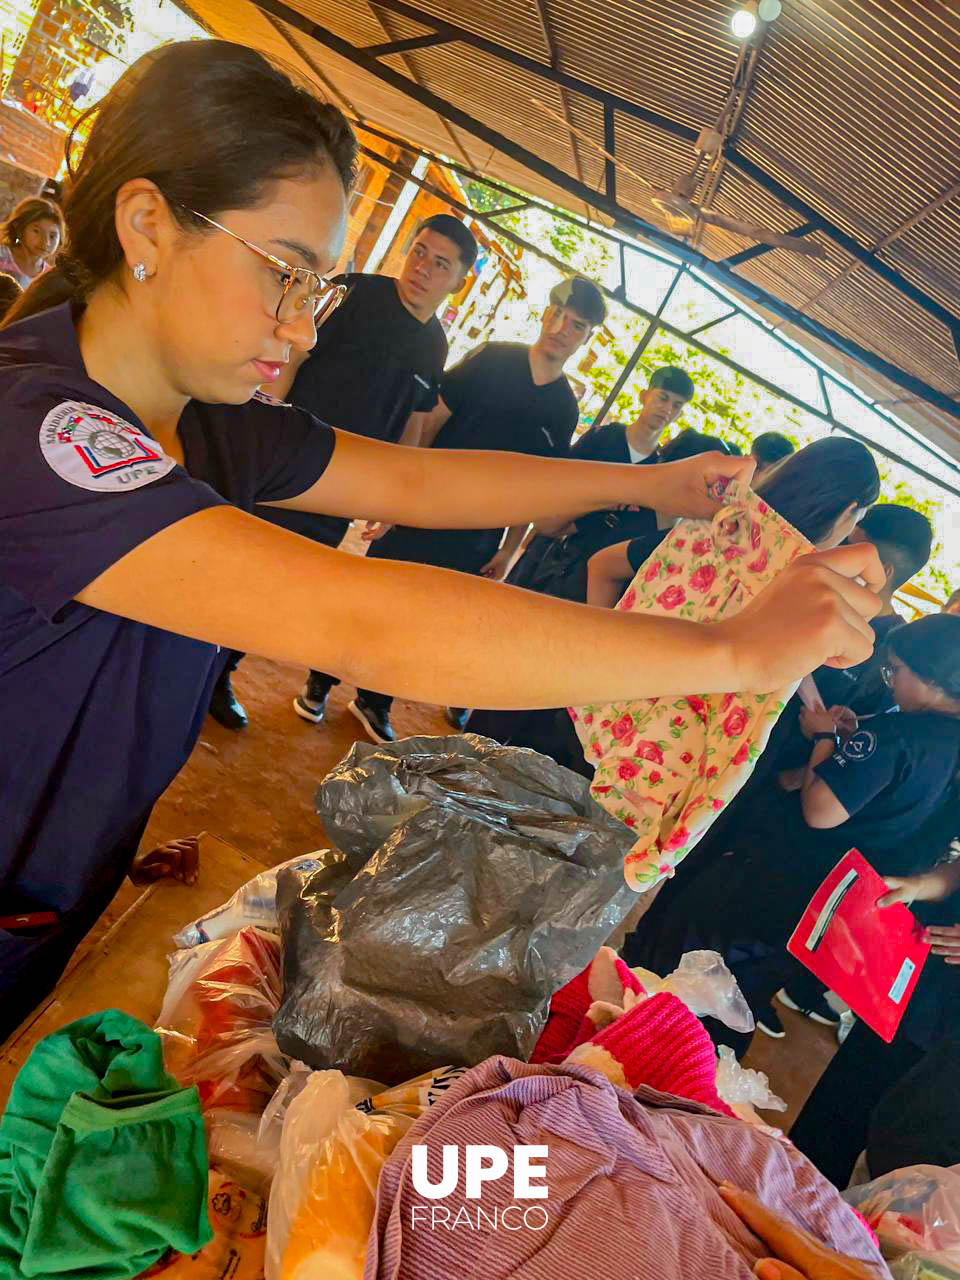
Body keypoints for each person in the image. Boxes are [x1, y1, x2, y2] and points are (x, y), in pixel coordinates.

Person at [0, 39, 885, 1040]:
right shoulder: (43, 433)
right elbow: (359, 615)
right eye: (286, 274)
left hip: (44, 884)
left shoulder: (207, 426)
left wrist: (651, 483)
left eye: (317, 290)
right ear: (147, 223)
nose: (300, 329)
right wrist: (735, 649)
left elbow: (417, 476)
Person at [624, 614, 960, 1056]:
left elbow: (820, 810)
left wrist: (824, 737)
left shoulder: (897, 734)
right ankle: (688, 1074)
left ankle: (626, 1044)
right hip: (828, 906)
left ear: (933, 678)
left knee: (685, 964)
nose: (890, 681)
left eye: (895, 671)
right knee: (739, 996)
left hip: (783, 877)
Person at [300, 273, 608, 743]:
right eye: (559, 313)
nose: (562, 327)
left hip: (477, 533)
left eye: (577, 324)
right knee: (375, 595)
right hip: (424, 506)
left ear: (587, 338)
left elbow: (533, 486)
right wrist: (399, 494)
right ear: (546, 313)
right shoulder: (493, 358)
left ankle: (375, 700)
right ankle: (319, 683)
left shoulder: (565, 408)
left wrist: (508, 549)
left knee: (426, 620)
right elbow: (430, 419)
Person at [209, 211, 478, 729]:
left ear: (458, 280)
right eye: (419, 250)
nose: (422, 266)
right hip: (283, 454)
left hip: (338, 488)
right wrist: (264, 424)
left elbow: (414, 426)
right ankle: (178, 660)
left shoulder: (435, 345)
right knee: (232, 558)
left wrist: (392, 499)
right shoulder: (353, 294)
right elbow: (289, 354)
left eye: (440, 263)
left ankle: (219, 674)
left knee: (279, 587)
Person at [789, 818, 960, 1187]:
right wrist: (918, 886)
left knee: (900, 1152)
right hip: (917, 981)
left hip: (947, 1047)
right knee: (838, 1104)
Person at [491, 365, 696, 604]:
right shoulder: (601, 439)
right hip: (548, 556)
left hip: (588, 582)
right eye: (663, 398)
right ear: (645, 395)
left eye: (677, 405)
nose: (667, 409)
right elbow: (551, 493)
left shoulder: (659, 469)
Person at [0, 196, 62, 289]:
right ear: (19, 228)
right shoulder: (2, 257)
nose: (46, 242)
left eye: (52, 236)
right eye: (36, 231)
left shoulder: (50, 277)